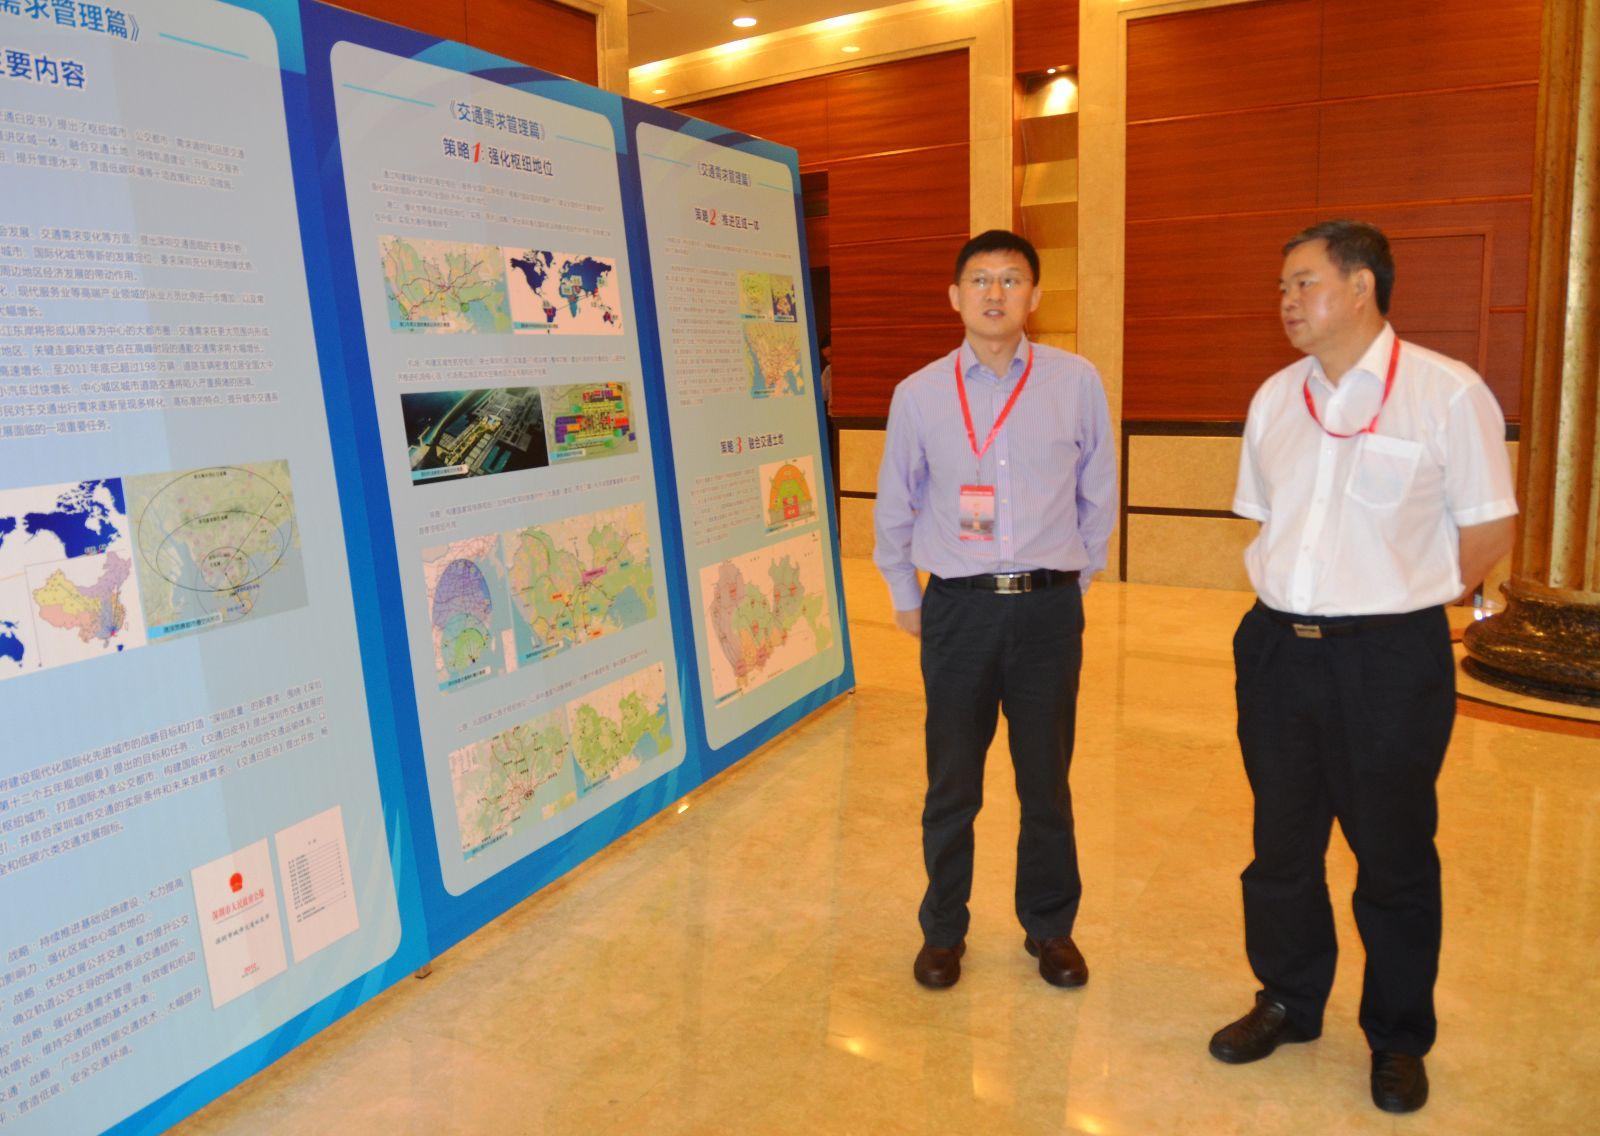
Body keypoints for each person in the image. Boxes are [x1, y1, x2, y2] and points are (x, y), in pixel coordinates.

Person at [1212, 220, 1517, 1112]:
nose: (1286, 302)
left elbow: (1489, 528)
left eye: (1302, 283)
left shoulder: (1445, 393)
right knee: (1281, 848)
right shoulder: (1276, 398)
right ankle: (1287, 999)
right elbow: (1266, 518)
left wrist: (1402, 601)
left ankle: (1397, 1036)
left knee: (1393, 857)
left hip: (1389, 662)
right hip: (1278, 651)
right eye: (1281, 288)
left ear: (1360, 286)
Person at [873, 229, 1115, 990]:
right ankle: (943, 930)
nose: (995, 292)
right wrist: (906, 594)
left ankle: (1050, 927)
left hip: (1047, 613)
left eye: (1012, 279)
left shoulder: (1076, 381)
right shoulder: (919, 393)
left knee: (1046, 782)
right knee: (952, 783)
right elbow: (895, 503)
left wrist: (1070, 584)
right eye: (980, 279)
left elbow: (1099, 493)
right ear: (955, 296)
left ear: (1034, 296)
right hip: (960, 611)